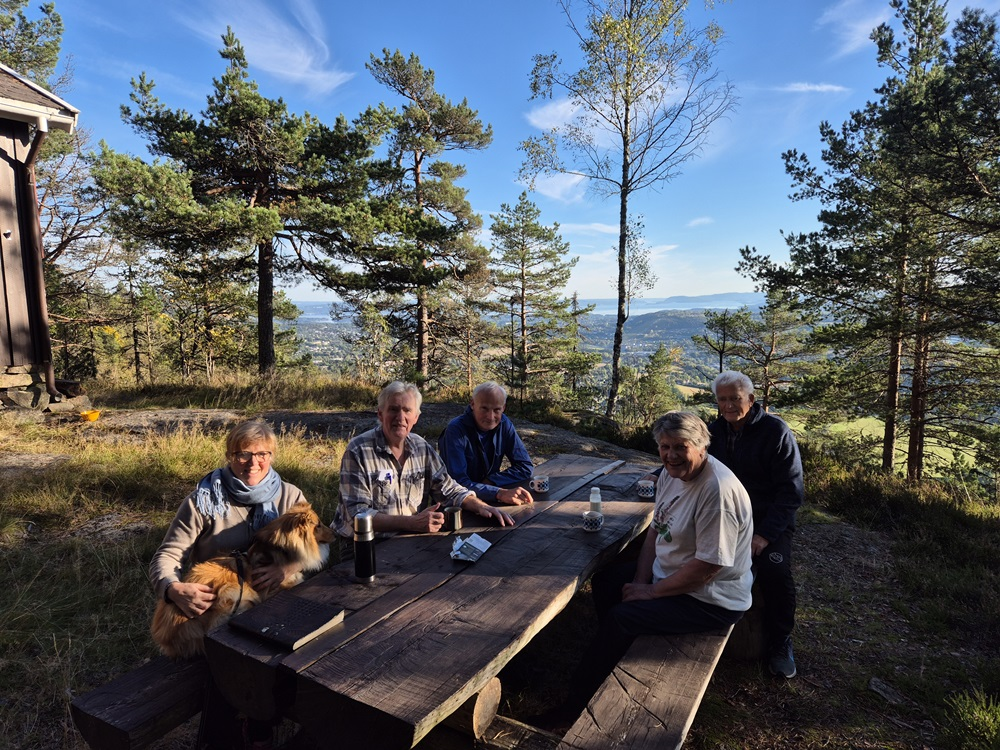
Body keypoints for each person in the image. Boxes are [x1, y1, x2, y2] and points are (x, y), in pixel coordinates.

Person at [536, 411, 753, 729]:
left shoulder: (715, 492)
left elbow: (708, 568)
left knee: (621, 618)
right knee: (607, 582)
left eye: (680, 447)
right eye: (665, 447)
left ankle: (574, 706)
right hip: (675, 574)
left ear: (701, 446)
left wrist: (650, 592)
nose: (671, 455)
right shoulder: (671, 474)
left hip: (709, 598)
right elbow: (656, 529)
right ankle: (614, 651)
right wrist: (640, 580)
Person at [149, 420, 309, 750]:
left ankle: (267, 725)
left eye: (262, 454)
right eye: (243, 455)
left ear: (272, 455)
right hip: (220, 605)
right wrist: (173, 589)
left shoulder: (290, 496)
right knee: (234, 660)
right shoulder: (203, 500)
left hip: (271, 601)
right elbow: (167, 555)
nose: (253, 463)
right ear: (229, 456)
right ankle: (241, 736)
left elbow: (315, 546)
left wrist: (287, 567)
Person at [709, 370, 804, 679]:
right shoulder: (714, 431)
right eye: (722, 399)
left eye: (735, 399)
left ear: (750, 399)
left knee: (775, 572)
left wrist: (763, 535)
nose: (728, 405)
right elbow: (692, 459)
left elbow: (791, 492)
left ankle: (780, 642)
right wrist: (657, 475)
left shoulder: (776, 432)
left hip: (768, 521)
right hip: (728, 518)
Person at [333, 381, 515, 539]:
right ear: (380, 414)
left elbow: (449, 489)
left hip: (410, 538)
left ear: (416, 417)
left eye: (407, 410)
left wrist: (481, 506)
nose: (400, 418)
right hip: (365, 543)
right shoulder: (359, 451)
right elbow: (358, 515)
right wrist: (412, 523)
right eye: (393, 409)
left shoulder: (421, 448)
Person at [437, 381, 534, 506]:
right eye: (484, 409)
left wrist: (491, 480)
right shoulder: (455, 430)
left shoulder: (504, 424)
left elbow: (525, 466)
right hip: (456, 504)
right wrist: (498, 493)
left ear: (503, 408)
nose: (490, 416)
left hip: (489, 500)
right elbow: (457, 484)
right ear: (472, 404)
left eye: (497, 410)